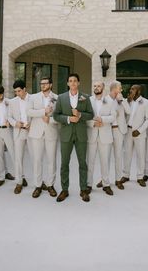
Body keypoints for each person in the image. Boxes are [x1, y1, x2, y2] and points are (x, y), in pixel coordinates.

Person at [53, 73, 94, 202]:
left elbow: (91, 114)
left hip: (81, 134)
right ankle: (64, 190)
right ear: (67, 83)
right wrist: (69, 119)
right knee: (64, 163)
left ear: (79, 83)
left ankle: (83, 190)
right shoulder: (61, 98)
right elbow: (56, 115)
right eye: (70, 81)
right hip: (66, 135)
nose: (73, 83)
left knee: (82, 163)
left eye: (75, 81)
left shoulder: (85, 97)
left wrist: (80, 114)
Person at [27, 77, 58, 198]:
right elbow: (29, 111)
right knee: (37, 160)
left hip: (51, 132)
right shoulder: (33, 97)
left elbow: (59, 116)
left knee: (52, 160)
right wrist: (43, 112)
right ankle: (38, 185)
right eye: (41, 83)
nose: (43, 85)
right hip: (36, 133)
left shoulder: (57, 98)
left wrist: (50, 119)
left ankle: (50, 185)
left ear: (50, 84)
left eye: (45, 83)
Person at [86, 81, 116, 195]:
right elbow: (85, 117)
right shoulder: (89, 100)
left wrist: (102, 120)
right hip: (92, 135)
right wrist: (93, 123)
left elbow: (113, 116)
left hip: (105, 135)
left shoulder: (110, 101)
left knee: (105, 161)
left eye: (98, 86)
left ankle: (106, 184)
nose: (96, 87)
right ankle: (88, 184)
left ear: (103, 88)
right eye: (94, 86)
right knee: (90, 161)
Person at [121, 85, 148, 187]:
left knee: (140, 155)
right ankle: (125, 175)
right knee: (127, 154)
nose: (130, 90)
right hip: (128, 131)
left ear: (139, 91)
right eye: (131, 89)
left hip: (139, 133)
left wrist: (139, 130)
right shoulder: (127, 101)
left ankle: (140, 177)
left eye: (133, 89)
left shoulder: (146, 102)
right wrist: (126, 101)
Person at [8, 80, 31, 194]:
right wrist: (15, 123)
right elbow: (9, 117)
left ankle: (39, 182)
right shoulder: (12, 102)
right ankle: (19, 181)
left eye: (19, 91)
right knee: (18, 158)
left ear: (24, 89)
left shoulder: (33, 99)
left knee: (36, 157)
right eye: (15, 91)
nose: (17, 93)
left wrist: (30, 125)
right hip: (18, 131)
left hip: (31, 132)